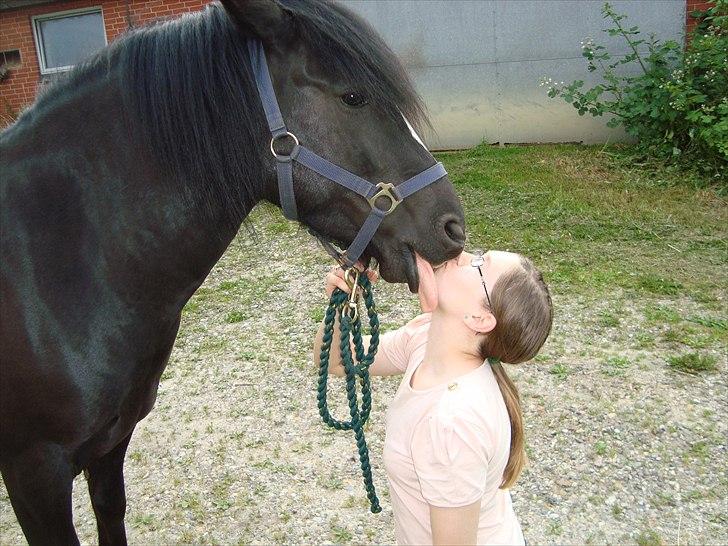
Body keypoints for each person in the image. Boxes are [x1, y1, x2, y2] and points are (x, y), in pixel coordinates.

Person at [314, 249, 553, 545]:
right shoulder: (425, 336)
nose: (460, 253)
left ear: (480, 318)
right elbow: (339, 361)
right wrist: (343, 302)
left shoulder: (453, 423)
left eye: (479, 265)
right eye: (479, 253)